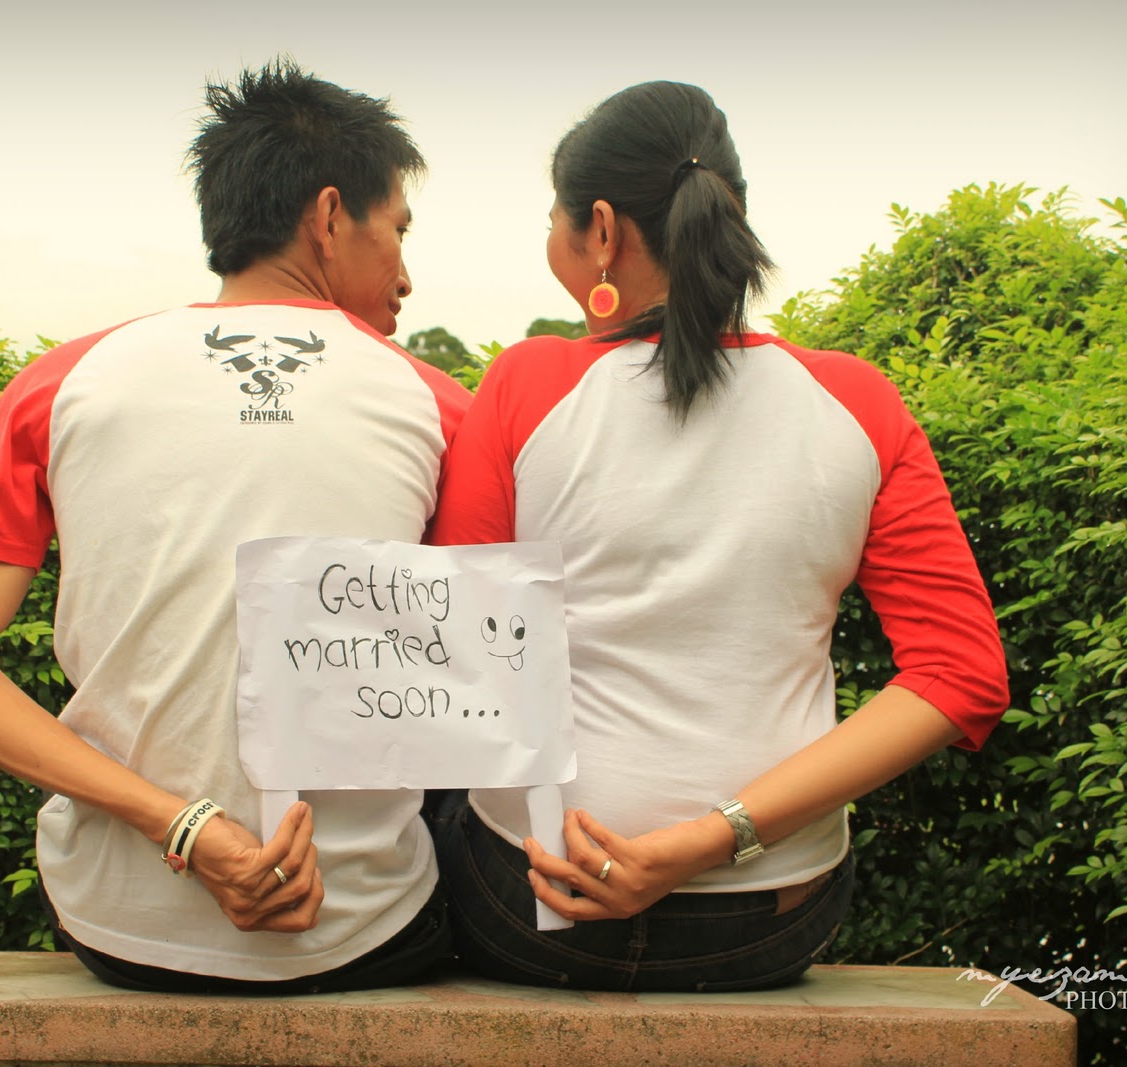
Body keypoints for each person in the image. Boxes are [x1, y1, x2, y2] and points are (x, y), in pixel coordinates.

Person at [0, 59, 470, 993]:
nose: (406, 275)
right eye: (397, 230)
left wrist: (186, 825)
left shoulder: (62, 384)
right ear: (327, 217)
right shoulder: (437, 404)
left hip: (119, 928)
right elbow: (489, 677)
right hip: (365, 926)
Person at [427, 81, 1010, 992]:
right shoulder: (856, 401)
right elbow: (961, 674)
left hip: (535, 901)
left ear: (602, 230)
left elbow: (454, 647)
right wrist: (713, 836)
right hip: (768, 917)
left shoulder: (526, 386)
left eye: (554, 219)